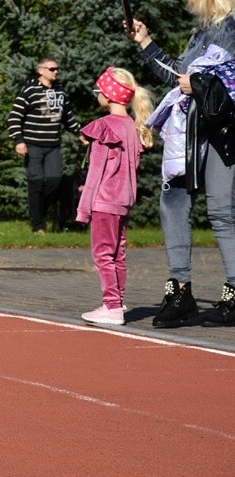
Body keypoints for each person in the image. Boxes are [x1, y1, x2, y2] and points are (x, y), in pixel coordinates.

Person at [129, 0, 235, 327]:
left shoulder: (233, 29)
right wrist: (145, 43)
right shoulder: (202, 32)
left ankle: (234, 294)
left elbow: (213, 82)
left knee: (223, 211)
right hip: (190, 133)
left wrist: (201, 84)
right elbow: (180, 77)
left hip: (224, 134)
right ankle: (180, 291)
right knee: (172, 200)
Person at [75, 67, 153, 325]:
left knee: (102, 254)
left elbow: (95, 173)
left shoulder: (104, 127)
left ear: (107, 96)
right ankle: (117, 300)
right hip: (123, 200)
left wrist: (83, 208)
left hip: (104, 200)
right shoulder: (132, 126)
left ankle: (112, 306)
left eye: (98, 91)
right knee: (117, 253)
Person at [7, 57, 85, 234]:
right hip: (33, 145)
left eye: (57, 69)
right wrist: (19, 140)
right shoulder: (29, 90)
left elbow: (68, 117)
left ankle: (38, 213)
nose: (56, 71)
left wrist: (80, 133)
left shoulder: (60, 91)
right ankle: (38, 225)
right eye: (52, 69)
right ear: (41, 71)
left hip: (53, 146)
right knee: (35, 183)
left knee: (54, 181)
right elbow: (14, 117)